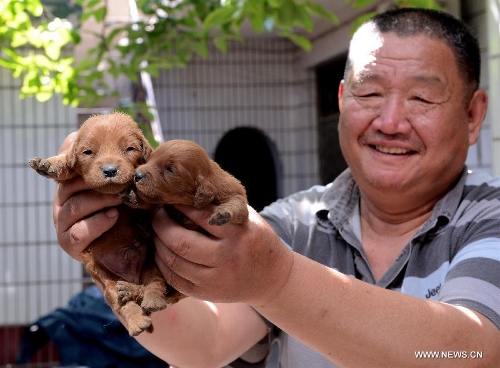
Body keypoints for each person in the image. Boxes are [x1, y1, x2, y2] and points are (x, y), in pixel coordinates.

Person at [52, 8, 500, 368]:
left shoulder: (490, 217)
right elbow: (206, 345)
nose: (390, 122)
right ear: (342, 100)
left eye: (421, 98)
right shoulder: (294, 221)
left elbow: (468, 355)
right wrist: (120, 250)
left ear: (473, 114)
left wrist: (278, 279)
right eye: (370, 93)